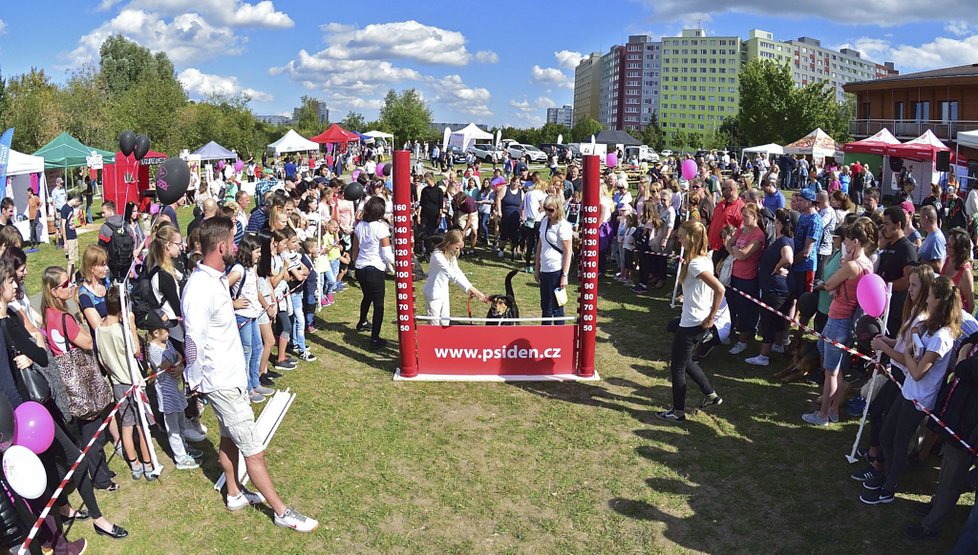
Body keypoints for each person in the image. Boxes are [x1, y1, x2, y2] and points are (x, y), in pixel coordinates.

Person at [182, 216, 318, 531]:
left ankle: (234, 494)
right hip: (222, 383)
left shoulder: (215, 279)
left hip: (231, 377)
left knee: (229, 438)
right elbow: (193, 340)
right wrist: (195, 380)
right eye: (231, 242)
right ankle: (282, 512)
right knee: (254, 450)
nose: (236, 247)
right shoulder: (199, 287)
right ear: (220, 246)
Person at [0, 261, 127, 544]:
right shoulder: (4, 326)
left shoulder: (11, 316)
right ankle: (82, 528)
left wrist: (33, 352)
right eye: (10, 281)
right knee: (65, 467)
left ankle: (77, 516)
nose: (16, 286)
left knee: (62, 463)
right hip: (23, 417)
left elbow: (41, 352)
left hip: (39, 409)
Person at [864, 277, 961, 505]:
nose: (926, 298)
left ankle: (889, 488)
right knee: (887, 434)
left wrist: (906, 351)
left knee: (899, 442)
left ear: (938, 300)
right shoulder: (931, 326)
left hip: (919, 398)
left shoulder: (942, 337)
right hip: (908, 391)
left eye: (929, 295)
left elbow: (918, 372)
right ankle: (885, 474)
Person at [40, 266, 119, 494]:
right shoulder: (64, 317)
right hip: (82, 383)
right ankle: (101, 479)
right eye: (65, 285)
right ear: (54, 291)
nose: (70, 287)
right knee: (93, 433)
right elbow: (87, 342)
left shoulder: (49, 315)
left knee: (90, 429)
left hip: (70, 383)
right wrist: (79, 319)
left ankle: (101, 471)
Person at [803, 219, 875, 426]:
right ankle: (833, 409)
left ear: (855, 242)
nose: (845, 244)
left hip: (838, 319)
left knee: (830, 372)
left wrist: (843, 265)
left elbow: (829, 283)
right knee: (839, 369)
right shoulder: (867, 264)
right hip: (847, 319)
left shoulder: (852, 266)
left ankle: (823, 414)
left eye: (847, 241)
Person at [657, 221, 724, 422]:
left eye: (682, 235)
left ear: (692, 238)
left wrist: (712, 317)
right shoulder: (704, 259)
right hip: (695, 319)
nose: (679, 238)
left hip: (693, 322)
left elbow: (720, 289)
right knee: (687, 362)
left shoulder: (695, 264)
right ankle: (711, 395)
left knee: (677, 367)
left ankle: (678, 411)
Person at [94, 287, 156, 481]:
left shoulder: (99, 329)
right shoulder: (120, 331)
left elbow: (102, 359)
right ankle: (147, 464)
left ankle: (134, 464)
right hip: (132, 383)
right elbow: (137, 351)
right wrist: (132, 327)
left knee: (126, 425)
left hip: (117, 384)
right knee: (141, 426)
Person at [144, 308, 201, 471]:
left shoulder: (166, 342)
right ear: (156, 332)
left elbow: (178, 356)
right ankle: (180, 457)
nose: (169, 332)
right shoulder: (154, 350)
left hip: (176, 391)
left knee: (181, 422)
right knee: (173, 428)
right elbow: (171, 367)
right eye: (166, 329)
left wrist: (180, 366)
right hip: (167, 394)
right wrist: (179, 366)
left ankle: (185, 447)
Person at [227, 235, 275, 403]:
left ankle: (255, 383)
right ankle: (246, 389)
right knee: (246, 353)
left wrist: (266, 306)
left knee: (257, 348)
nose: (259, 255)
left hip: (253, 315)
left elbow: (255, 291)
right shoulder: (238, 269)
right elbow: (220, 287)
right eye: (257, 251)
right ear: (248, 251)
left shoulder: (251, 268)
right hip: (243, 317)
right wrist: (233, 303)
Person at [746, 208, 795, 366]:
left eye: (776, 222)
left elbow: (788, 257)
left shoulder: (784, 241)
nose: (774, 224)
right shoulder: (785, 239)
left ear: (780, 223)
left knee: (768, 322)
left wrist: (777, 266)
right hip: (779, 288)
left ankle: (763, 356)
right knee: (779, 320)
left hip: (774, 289)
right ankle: (778, 345)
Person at [352, 197, 394, 350]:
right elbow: (388, 254)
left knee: (367, 296)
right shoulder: (381, 228)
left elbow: (355, 250)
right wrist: (402, 264)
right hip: (374, 268)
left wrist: (355, 263)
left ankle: (362, 321)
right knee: (379, 305)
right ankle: (375, 339)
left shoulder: (359, 226)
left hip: (360, 268)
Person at [724, 203, 766, 356]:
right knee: (731, 307)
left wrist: (735, 250)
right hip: (733, 274)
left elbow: (744, 254)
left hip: (747, 278)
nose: (743, 219)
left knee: (745, 311)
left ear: (755, 217)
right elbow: (728, 244)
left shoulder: (758, 235)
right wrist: (736, 250)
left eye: (746, 216)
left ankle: (743, 341)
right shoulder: (741, 230)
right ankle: (729, 333)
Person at [423, 230, 487, 325]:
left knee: (445, 322)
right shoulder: (437, 256)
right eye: (457, 248)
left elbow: (457, 272)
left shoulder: (451, 255)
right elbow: (452, 275)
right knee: (434, 324)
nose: (458, 251)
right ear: (449, 243)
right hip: (433, 293)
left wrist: (474, 290)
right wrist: (475, 291)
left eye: (460, 248)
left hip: (443, 292)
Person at [877, 206, 919, 336]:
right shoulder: (888, 245)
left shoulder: (907, 249)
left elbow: (908, 281)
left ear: (898, 224)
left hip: (896, 309)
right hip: (883, 305)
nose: (884, 227)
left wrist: (884, 286)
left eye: (887, 224)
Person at [532, 195, 574, 326]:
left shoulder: (564, 226)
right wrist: (537, 267)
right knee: (545, 306)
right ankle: (545, 335)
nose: (547, 212)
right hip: (545, 268)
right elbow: (540, 245)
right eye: (546, 209)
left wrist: (564, 275)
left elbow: (568, 251)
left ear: (558, 209)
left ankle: (559, 337)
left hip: (556, 269)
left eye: (550, 210)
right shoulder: (545, 221)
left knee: (557, 307)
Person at [146, 224, 186, 351]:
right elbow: (176, 305)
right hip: (172, 326)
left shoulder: (156, 266)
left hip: (168, 322)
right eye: (178, 244)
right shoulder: (164, 275)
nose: (181, 247)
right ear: (168, 245)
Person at [790, 188, 823, 303]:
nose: (798, 203)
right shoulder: (803, 215)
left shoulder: (815, 221)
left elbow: (806, 252)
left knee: (802, 300)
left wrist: (790, 261)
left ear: (809, 202)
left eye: (801, 200)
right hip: (796, 263)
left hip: (805, 266)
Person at [98, 201, 137, 283]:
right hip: (127, 264)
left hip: (112, 266)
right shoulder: (126, 224)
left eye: (103, 212)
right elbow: (133, 242)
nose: (102, 215)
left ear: (110, 211)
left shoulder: (104, 228)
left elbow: (100, 249)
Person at [707, 179, 744, 264]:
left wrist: (729, 245)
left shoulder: (741, 208)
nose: (720, 190)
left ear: (731, 190)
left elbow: (741, 231)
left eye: (723, 188)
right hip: (712, 246)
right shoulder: (721, 204)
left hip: (725, 249)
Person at [942, 228, 974, 314]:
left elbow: (971, 305)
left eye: (949, 246)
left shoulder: (965, 272)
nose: (945, 247)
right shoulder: (948, 259)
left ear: (959, 249)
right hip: (943, 312)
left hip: (957, 316)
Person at [494, 177, 524, 259]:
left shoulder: (521, 192)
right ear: (511, 182)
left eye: (517, 182)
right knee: (504, 233)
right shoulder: (505, 188)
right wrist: (499, 211)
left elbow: (522, 205)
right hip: (505, 215)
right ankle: (501, 250)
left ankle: (513, 250)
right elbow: (498, 198)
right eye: (514, 182)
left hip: (515, 216)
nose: (515, 184)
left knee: (514, 235)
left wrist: (522, 215)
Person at [918, 205, 946, 273]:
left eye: (920, 218)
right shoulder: (931, 235)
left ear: (925, 218)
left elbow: (939, 267)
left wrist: (918, 259)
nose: (919, 221)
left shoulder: (937, 238)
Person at [60, 195, 82, 270]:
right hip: (69, 237)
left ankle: (74, 278)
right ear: (76, 201)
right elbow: (63, 226)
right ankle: (69, 279)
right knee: (70, 260)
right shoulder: (64, 208)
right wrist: (65, 242)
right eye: (78, 204)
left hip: (74, 235)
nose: (78, 206)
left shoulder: (71, 208)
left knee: (75, 259)